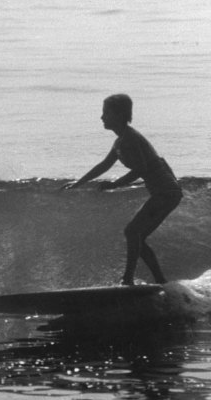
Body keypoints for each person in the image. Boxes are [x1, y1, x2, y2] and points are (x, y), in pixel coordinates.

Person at [62, 94, 182, 285]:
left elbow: (142, 168)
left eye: (106, 113)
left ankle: (128, 279)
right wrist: (79, 183)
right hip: (164, 192)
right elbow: (105, 165)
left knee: (132, 232)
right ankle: (160, 281)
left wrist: (114, 184)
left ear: (119, 115)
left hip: (166, 192)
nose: (102, 117)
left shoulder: (130, 139)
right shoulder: (121, 141)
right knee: (136, 236)